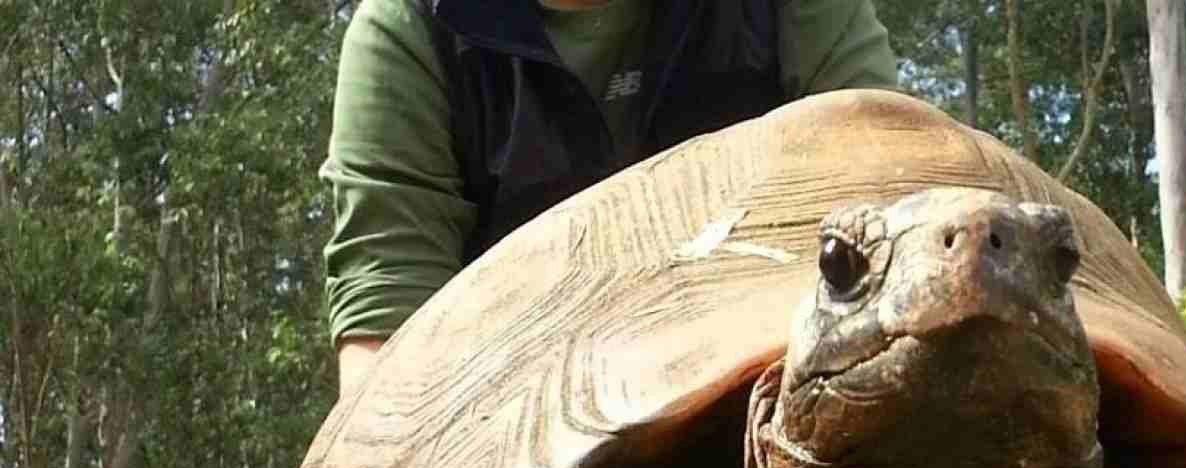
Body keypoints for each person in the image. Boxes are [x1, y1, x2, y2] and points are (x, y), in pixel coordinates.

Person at [322, 0, 900, 398]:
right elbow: (386, 359)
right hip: (511, 466)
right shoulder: (412, 30)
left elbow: (885, 218)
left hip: (785, 403)